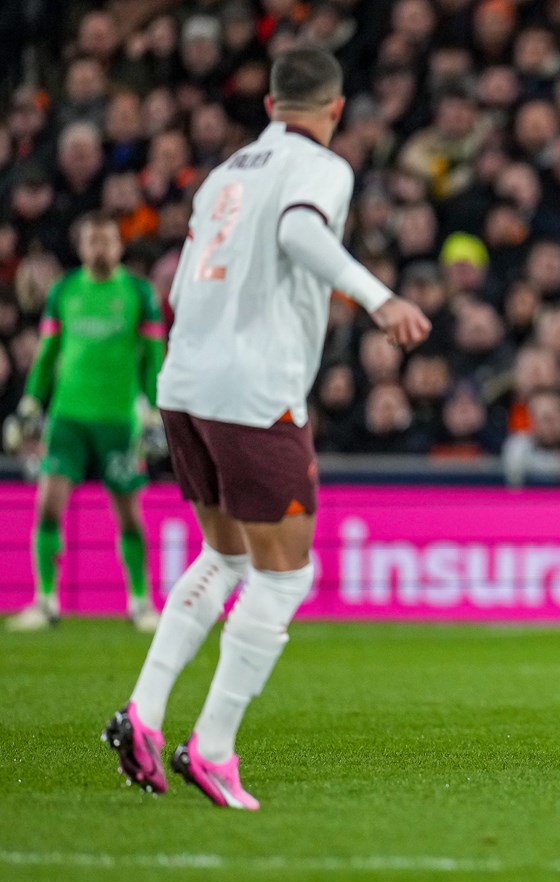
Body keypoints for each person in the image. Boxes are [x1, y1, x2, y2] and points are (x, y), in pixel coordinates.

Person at [101, 45, 431, 809]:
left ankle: (145, 715)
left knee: (227, 556)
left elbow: (181, 281)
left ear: (269, 105)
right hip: (253, 389)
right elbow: (299, 234)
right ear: (336, 109)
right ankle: (211, 748)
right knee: (287, 573)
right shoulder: (322, 168)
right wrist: (378, 298)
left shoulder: (225, 173)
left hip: (184, 381)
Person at [4, 211, 164, 633]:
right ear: (81, 246)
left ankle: (140, 601)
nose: (100, 248)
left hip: (119, 420)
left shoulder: (138, 292)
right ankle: (46, 600)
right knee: (48, 505)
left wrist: (152, 407)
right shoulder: (65, 291)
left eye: (107, 240)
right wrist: (31, 404)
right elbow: (47, 353)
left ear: (119, 245)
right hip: (68, 417)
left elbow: (153, 357)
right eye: (93, 240)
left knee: (129, 513)